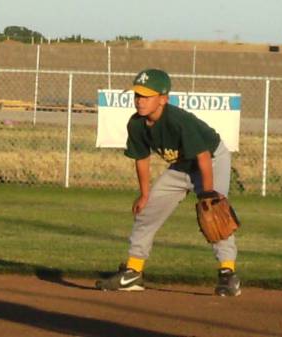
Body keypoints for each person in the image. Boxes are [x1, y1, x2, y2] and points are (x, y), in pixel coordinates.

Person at [95, 68, 241, 296]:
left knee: (215, 214)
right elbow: (141, 159)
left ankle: (228, 274)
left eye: (146, 96)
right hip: (181, 166)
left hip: (211, 160)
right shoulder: (136, 124)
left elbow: (203, 156)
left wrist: (209, 193)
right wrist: (144, 194)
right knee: (147, 211)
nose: (139, 101)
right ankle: (133, 271)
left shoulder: (178, 121)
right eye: (137, 95)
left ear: (163, 99)